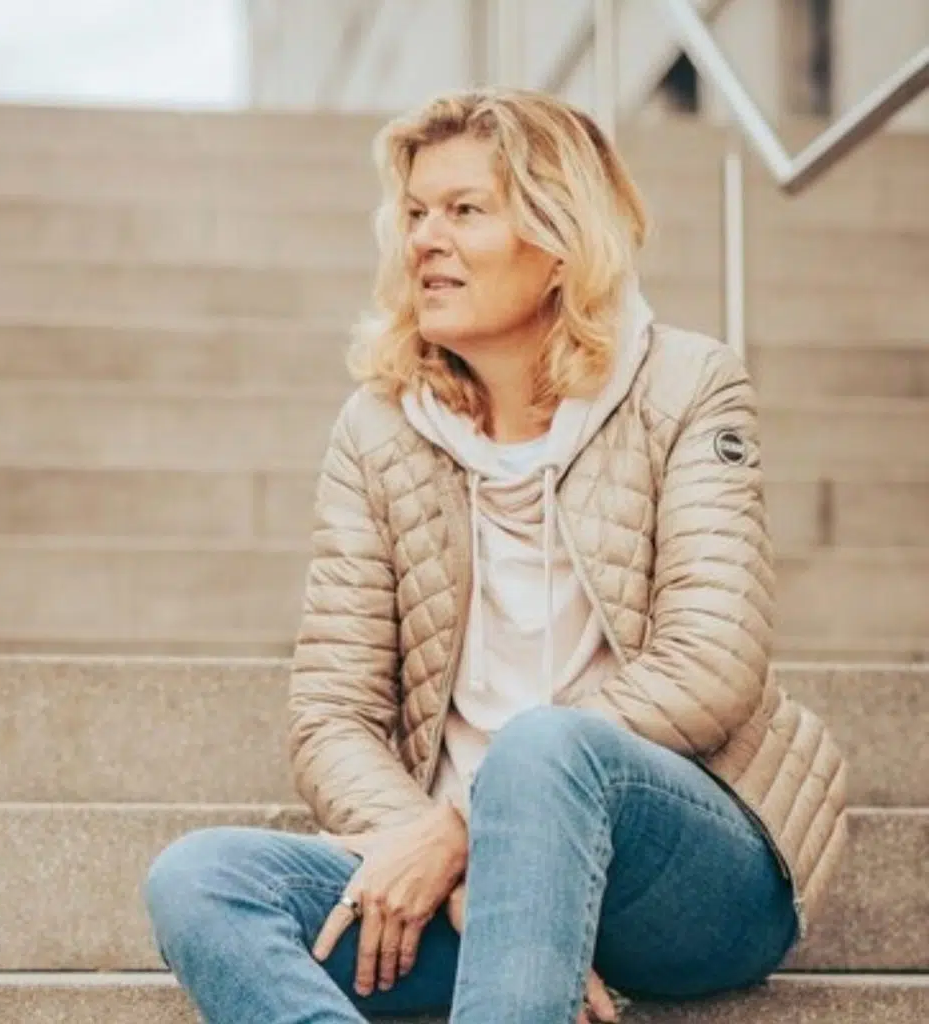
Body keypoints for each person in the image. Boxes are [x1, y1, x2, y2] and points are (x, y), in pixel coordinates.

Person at [144, 88, 848, 1023]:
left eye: (464, 211)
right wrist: (445, 859)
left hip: (681, 872)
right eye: (414, 214)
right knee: (202, 879)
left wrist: (467, 828)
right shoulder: (378, 429)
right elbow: (332, 715)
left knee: (541, 747)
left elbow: (711, 662)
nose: (424, 241)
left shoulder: (687, 384)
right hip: (464, 891)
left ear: (559, 240)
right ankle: (520, 952)